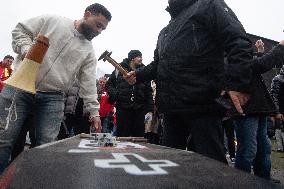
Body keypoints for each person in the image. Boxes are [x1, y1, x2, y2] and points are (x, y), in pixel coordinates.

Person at [123, 0, 281, 163]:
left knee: (211, 165)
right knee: (169, 165)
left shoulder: (208, 5)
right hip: (171, 109)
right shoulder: (165, 31)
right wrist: (139, 74)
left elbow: (238, 40)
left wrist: (237, 83)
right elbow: (158, 64)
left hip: (203, 105)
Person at [0, 3, 111, 174]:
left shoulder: (88, 52)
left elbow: (88, 84)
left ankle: (35, 183)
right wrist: (26, 50)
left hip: (53, 98)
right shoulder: (53, 21)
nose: (99, 31)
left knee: (46, 146)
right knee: (3, 140)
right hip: (18, 89)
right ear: (87, 14)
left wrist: (94, 112)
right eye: (98, 25)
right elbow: (20, 30)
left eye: (103, 29)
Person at [106, 50, 153, 137]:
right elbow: (109, 84)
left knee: (139, 137)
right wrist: (116, 94)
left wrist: (150, 110)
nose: (141, 59)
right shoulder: (118, 70)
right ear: (132, 58)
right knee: (122, 137)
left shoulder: (144, 72)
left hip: (139, 110)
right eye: (139, 57)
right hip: (123, 109)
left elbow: (148, 91)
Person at [271, 65, 284, 153]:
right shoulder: (278, 79)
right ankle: (280, 147)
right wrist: (277, 111)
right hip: (281, 108)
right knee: (279, 127)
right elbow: (274, 96)